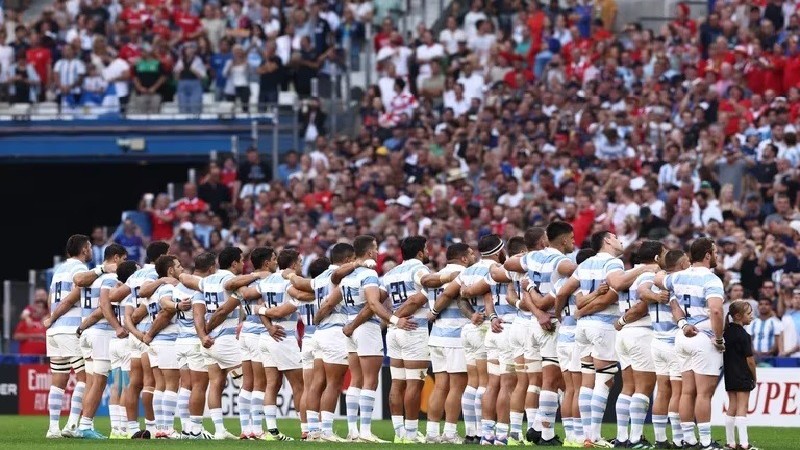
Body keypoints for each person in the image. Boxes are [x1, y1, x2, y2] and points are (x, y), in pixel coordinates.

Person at [180, 246, 263, 440]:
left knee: (216, 383)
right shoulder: (229, 280)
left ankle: (219, 430)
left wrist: (202, 336)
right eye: (242, 261)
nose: (243, 265)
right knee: (248, 381)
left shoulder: (205, 282)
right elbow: (224, 308)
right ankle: (250, 429)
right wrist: (258, 274)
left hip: (208, 342)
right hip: (225, 339)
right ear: (234, 263)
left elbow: (197, 313)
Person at [655, 237, 726, 450]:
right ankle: (705, 442)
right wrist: (720, 339)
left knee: (687, 392)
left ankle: (689, 439)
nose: (716, 256)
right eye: (714, 252)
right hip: (704, 338)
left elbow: (659, 278)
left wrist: (683, 322)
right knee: (704, 393)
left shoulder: (677, 277)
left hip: (683, 336)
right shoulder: (711, 280)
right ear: (707, 254)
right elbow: (715, 310)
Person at [44, 234, 114, 439]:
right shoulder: (79, 270)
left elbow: (51, 298)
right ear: (84, 249)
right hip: (70, 328)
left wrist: (51, 317)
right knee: (85, 378)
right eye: (90, 247)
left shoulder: (59, 270)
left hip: (55, 330)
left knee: (58, 380)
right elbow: (73, 296)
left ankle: (53, 428)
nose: (92, 251)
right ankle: (73, 425)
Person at [244, 249, 314, 441]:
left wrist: (261, 312)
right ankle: (306, 430)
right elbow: (292, 303)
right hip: (284, 336)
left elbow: (249, 296)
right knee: (299, 385)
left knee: (271, 384)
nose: (300, 266)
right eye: (299, 262)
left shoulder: (265, 281)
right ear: (293, 265)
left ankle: (272, 431)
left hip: (267, 337)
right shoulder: (288, 283)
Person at [613, 241, 665, 448]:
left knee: (628, 387)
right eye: (663, 254)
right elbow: (643, 305)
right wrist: (624, 320)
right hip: (641, 332)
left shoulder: (627, 274)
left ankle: (622, 437)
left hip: (625, 336)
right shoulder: (648, 275)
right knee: (644, 387)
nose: (665, 258)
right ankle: (635, 438)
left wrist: (622, 323)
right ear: (655, 258)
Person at [380, 236, 432, 443]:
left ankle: (399, 432)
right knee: (415, 382)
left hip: (394, 330)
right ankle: (411, 433)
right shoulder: (420, 270)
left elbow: (379, 299)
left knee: (397, 382)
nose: (428, 252)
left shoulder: (390, 273)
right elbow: (419, 297)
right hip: (413, 328)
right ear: (420, 252)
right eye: (426, 249)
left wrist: (392, 318)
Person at [73, 243, 128, 439]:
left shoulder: (92, 277)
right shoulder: (111, 277)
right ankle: (86, 425)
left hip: (87, 333)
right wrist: (117, 327)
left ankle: (81, 424)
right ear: (115, 258)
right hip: (101, 333)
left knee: (91, 382)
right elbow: (104, 306)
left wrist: (83, 325)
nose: (123, 263)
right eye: (123, 259)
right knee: (99, 382)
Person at [424, 243, 473, 443]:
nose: (472, 257)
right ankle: (450, 433)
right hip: (455, 336)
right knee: (456, 387)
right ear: (462, 258)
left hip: (436, 336)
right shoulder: (464, 274)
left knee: (440, 386)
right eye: (470, 254)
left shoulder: (438, 275)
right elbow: (452, 296)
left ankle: (432, 432)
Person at [234, 247, 276, 439]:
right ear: (267, 263)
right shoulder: (269, 280)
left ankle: (245, 428)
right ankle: (257, 430)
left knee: (248, 383)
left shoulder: (245, 280)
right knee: (260, 383)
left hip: (245, 333)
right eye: (274, 259)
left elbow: (236, 287)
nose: (276, 262)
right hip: (259, 333)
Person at [723, 300, 760, 450]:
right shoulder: (744, 335)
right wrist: (754, 377)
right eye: (749, 313)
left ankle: (731, 442)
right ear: (738, 316)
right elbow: (750, 360)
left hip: (729, 375)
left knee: (732, 406)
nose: (752, 316)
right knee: (742, 408)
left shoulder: (726, 332)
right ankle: (744, 444)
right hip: (743, 375)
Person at [747, 298, 784, 363]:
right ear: (758, 307)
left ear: (771, 307)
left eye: (766, 304)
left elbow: (778, 341)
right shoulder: (752, 323)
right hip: (755, 357)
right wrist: (754, 352)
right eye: (761, 304)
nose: (763, 306)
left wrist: (769, 352)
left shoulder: (776, 322)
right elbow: (749, 339)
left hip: (771, 357)